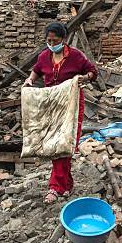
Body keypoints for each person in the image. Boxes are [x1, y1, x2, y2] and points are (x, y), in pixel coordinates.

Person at [22, 22, 97, 204]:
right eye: (48, 40)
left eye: (54, 40)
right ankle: (67, 184)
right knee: (55, 143)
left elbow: (93, 72)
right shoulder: (44, 56)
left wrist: (84, 78)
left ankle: (55, 187)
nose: (51, 43)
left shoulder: (75, 56)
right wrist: (30, 81)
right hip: (51, 106)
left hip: (71, 104)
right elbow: (36, 71)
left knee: (64, 143)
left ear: (63, 40)